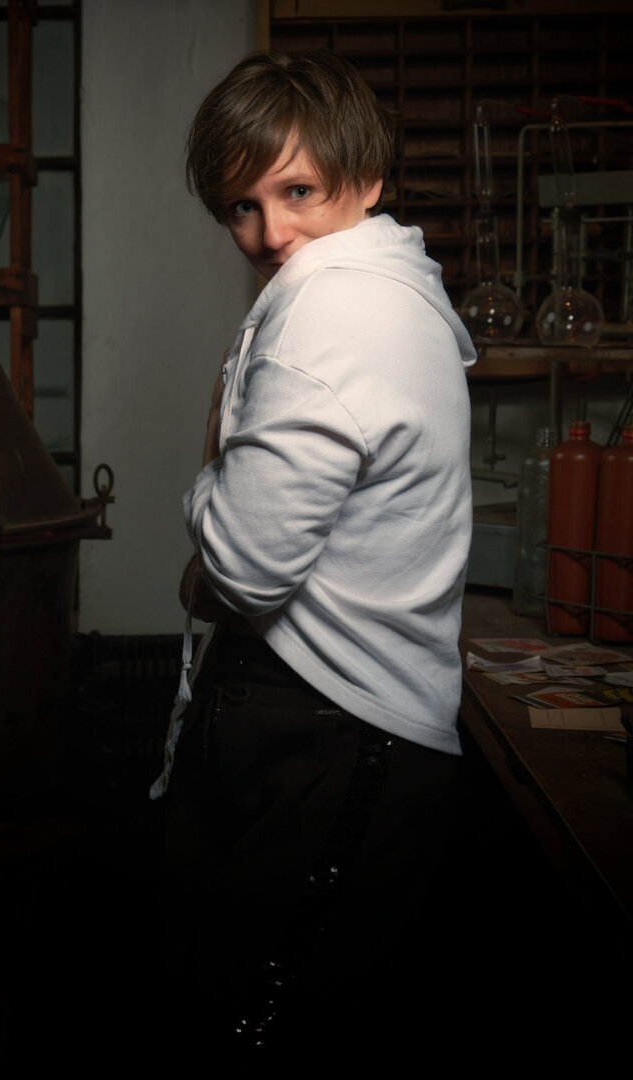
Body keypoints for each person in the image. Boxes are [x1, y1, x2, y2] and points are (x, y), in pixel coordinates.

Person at [153, 50, 477, 1058]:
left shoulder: (332, 305)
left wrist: (207, 480)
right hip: (339, 723)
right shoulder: (383, 284)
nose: (270, 235)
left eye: (296, 191)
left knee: (263, 1026)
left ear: (366, 177)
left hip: (336, 733)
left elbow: (240, 570)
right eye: (242, 207)